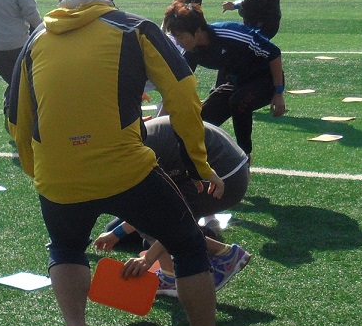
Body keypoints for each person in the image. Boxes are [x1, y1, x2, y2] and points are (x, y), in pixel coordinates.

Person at [12, 0, 247, 326]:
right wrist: (199, 164)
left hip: (58, 176)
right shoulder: (133, 27)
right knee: (187, 245)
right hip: (125, 169)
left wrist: (40, 173)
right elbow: (182, 95)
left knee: (65, 247)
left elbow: (16, 118)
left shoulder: (36, 40)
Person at [92, 114, 254, 296]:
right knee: (150, 217)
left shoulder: (132, 155)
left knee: (159, 220)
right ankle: (171, 273)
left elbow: (157, 212)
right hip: (227, 169)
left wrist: (148, 259)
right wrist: (116, 233)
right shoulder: (127, 143)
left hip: (226, 177)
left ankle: (223, 255)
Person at [162, 1, 286, 158]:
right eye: (175, 37)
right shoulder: (191, 51)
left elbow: (273, 53)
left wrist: (278, 92)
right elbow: (178, 84)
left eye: (181, 36)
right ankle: (197, 163)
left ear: (198, 31)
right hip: (238, 82)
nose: (178, 42)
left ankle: (245, 155)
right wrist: (161, 120)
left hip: (267, 81)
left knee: (237, 102)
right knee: (199, 122)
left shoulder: (229, 34)